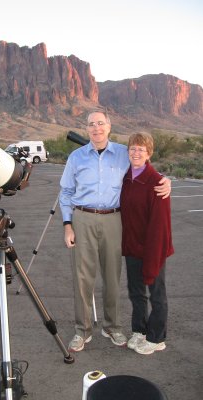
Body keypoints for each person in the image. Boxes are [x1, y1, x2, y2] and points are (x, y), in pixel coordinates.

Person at [59, 110, 171, 352]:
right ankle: (83, 330)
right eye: (91, 124)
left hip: (113, 220)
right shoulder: (76, 157)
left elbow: (145, 166)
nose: (96, 128)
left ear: (109, 126)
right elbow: (66, 192)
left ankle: (112, 327)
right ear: (87, 128)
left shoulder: (123, 152)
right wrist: (68, 224)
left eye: (101, 123)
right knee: (82, 279)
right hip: (82, 218)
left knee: (112, 277)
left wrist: (165, 180)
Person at [120, 132, 174, 355]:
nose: (136, 152)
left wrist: (153, 257)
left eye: (141, 149)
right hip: (133, 247)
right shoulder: (126, 178)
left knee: (157, 294)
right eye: (133, 148)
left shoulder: (157, 182)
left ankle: (156, 338)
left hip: (154, 247)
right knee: (136, 292)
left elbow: (159, 227)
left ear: (149, 153)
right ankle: (140, 330)